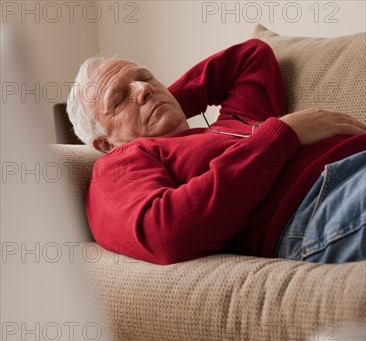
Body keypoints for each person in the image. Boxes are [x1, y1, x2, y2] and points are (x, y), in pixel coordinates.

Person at [66, 38, 366, 265]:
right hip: (318, 205)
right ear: (105, 144)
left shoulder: (233, 122)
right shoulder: (119, 163)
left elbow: (251, 56)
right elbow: (165, 232)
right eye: (119, 98)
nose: (143, 89)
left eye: (145, 78)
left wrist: (166, 102)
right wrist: (283, 135)